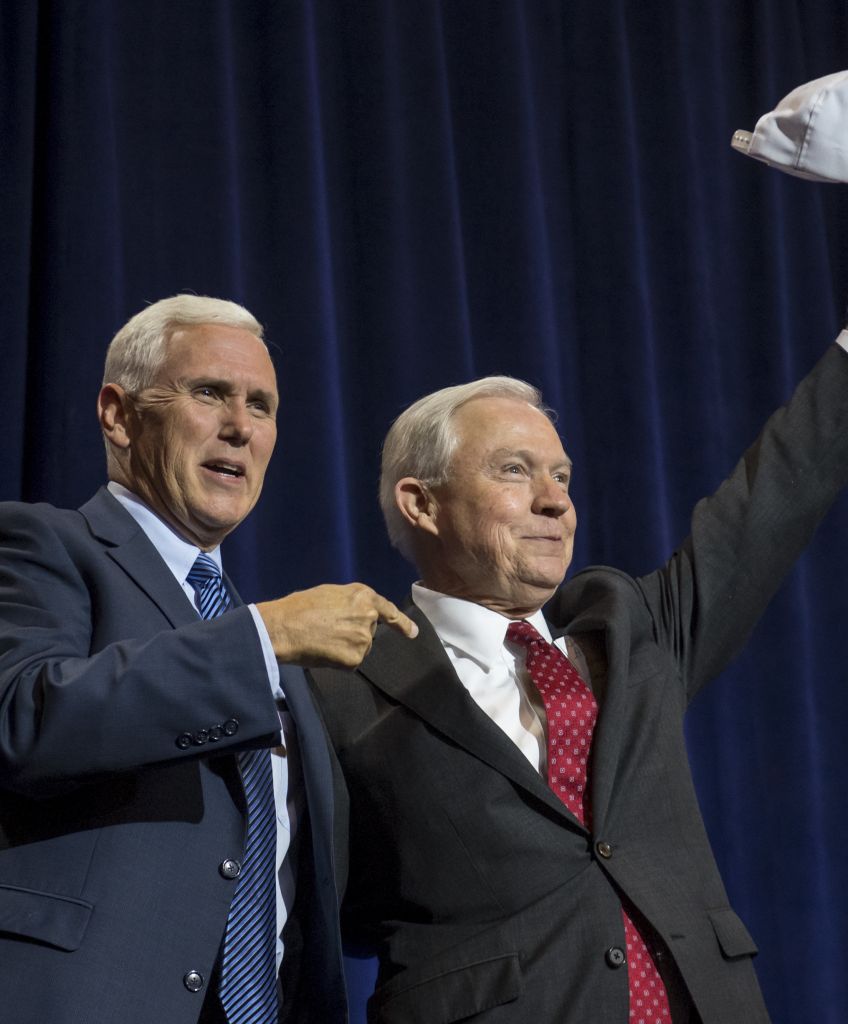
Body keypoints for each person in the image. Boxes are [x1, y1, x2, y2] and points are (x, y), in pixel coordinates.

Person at [308, 328, 848, 1024]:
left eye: (560, 476)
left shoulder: (631, 634)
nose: (554, 501)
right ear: (421, 503)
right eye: (513, 470)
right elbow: (317, 909)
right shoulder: (341, 684)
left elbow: (777, 493)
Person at [0, 294, 417, 1024]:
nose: (241, 426)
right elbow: (25, 719)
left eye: (262, 405)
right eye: (210, 393)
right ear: (118, 414)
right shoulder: (41, 547)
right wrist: (262, 637)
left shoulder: (272, 648)